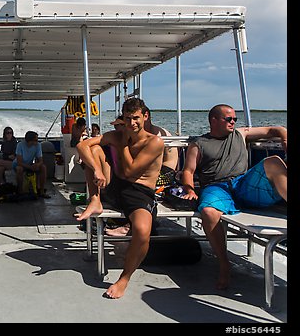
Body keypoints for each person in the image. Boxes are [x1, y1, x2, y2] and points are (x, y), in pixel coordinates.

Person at [180, 104, 287, 290]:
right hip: (216, 186)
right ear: (214, 120)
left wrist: (284, 136)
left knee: (274, 162)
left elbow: (273, 130)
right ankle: (224, 264)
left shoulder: (241, 134)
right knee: (208, 211)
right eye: (228, 119)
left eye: (235, 119)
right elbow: (188, 170)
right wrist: (190, 190)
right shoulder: (199, 143)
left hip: (243, 183)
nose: (233, 122)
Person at [75, 97, 164, 299]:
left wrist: (122, 143)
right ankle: (95, 200)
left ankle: (124, 279)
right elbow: (82, 146)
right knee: (94, 150)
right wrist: (97, 169)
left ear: (145, 116)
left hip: (140, 192)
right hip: (116, 186)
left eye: (135, 118)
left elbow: (132, 170)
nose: (131, 124)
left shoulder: (154, 142)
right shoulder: (118, 134)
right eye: (127, 119)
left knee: (142, 231)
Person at [12, 131, 49, 198]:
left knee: (43, 167)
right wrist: (30, 167)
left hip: (29, 164)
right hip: (18, 164)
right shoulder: (20, 145)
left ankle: (41, 191)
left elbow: (41, 160)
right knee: (19, 169)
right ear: (30, 141)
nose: (37, 141)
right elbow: (19, 162)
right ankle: (20, 191)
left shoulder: (38, 145)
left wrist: (37, 165)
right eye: (35, 140)